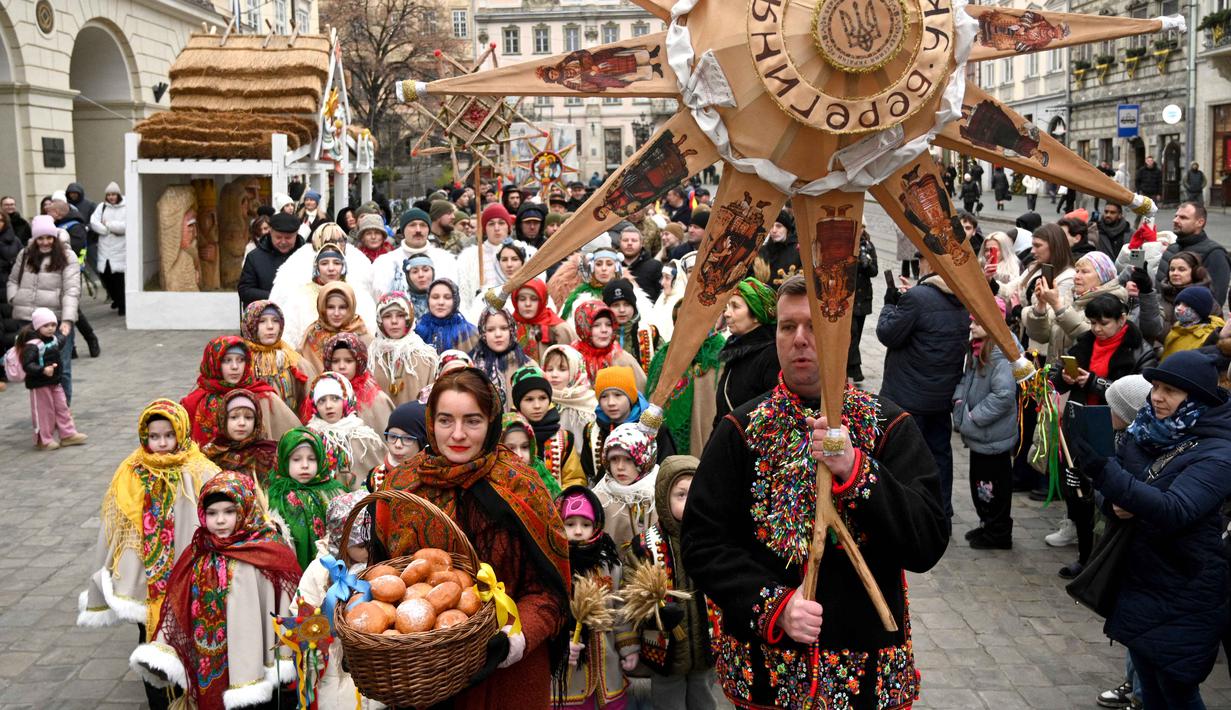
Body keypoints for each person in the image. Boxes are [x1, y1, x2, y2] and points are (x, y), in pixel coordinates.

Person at [681, 273, 948, 709]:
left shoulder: (890, 426)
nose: (800, 339)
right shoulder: (740, 430)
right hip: (768, 673)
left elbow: (927, 543)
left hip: (867, 675)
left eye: (815, 326)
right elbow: (702, 542)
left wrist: (857, 470)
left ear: (842, 334)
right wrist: (775, 605)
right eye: (788, 327)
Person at [373, 367, 571, 708]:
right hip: (425, 679)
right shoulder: (402, 485)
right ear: (431, 421)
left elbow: (550, 592)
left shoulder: (521, 487)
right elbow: (384, 578)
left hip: (507, 679)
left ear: (491, 421)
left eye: (473, 420)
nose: (458, 434)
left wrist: (515, 638)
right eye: (446, 420)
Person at [1073, 350, 1231, 709]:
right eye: (1155, 387)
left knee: (1176, 690)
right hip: (1143, 578)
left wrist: (1104, 471)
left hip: (1186, 585)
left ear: (1198, 399)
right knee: (1149, 683)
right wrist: (1109, 501)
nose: (1157, 397)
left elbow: (1177, 509)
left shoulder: (1219, 451)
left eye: (1170, 392)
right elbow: (1120, 488)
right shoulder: (1147, 428)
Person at [76, 400, 219, 710]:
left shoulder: (198, 467)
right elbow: (116, 521)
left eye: (169, 435)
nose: (163, 444)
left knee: (189, 632)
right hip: (144, 572)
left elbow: (220, 504)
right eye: (155, 437)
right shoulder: (131, 470)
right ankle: (158, 696)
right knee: (149, 632)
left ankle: (191, 693)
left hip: (188, 566)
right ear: (144, 436)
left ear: (181, 432)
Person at [128, 470, 299, 710]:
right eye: (212, 513)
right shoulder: (198, 550)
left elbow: (280, 598)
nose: (220, 520)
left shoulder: (266, 550)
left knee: (256, 704)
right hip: (208, 647)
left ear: (245, 509)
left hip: (251, 645)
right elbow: (178, 598)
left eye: (229, 512)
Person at [1047, 294, 1157, 571]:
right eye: (1093, 322)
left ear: (1122, 320)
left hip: (1117, 427)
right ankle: (1085, 557)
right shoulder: (1086, 342)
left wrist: (1094, 382)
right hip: (1081, 419)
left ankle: (1102, 561)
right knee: (1078, 488)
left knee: (1105, 494)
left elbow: (1139, 394)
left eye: (1103, 323)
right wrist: (1065, 377)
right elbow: (1057, 377)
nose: (1097, 329)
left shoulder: (1140, 350)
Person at [878, 252, 970, 517]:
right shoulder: (961, 296)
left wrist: (891, 304)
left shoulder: (917, 298)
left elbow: (887, 333)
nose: (919, 264)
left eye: (921, 260)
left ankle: (909, 512)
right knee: (940, 453)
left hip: (908, 396)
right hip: (940, 396)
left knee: (905, 455)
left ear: (929, 264)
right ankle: (942, 510)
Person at [628, 455, 717, 710]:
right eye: (681, 495)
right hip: (665, 651)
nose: (690, 502)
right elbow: (632, 592)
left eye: (696, 493)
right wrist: (653, 612)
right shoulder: (645, 546)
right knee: (668, 702)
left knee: (704, 699)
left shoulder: (711, 540)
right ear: (664, 498)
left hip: (704, 649)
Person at [554, 485, 634, 709]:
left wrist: (628, 647)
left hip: (607, 665)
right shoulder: (553, 567)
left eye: (586, 524)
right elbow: (547, 613)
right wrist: (560, 645)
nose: (578, 531)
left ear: (597, 524)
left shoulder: (609, 565)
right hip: (569, 669)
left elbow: (620, 611)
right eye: (570, 524)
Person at [952, 301, 1019, 549]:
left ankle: (999, 532)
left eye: (977, 322)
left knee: (994, 486)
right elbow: (966, 379)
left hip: (992, 435)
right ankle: (987, 524)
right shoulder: (978, 349)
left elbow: (1003, 395)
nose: (972, 325)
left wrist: (974, 417)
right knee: (981, 485)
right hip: (980, 436)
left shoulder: (999, 354)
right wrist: (959, 402)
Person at [8, 215, 82, 402]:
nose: (45, 242)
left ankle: (63, 412)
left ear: (55, 237)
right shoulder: (25, 254)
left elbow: (72, 290)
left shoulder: (67, 255)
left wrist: (67, 320)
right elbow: (12, 280)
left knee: (61, 368)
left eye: (49, 237)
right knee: (35, 369)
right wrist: (14, 298)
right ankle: (45, 411)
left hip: (54, 320)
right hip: (28, 320)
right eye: (40, 238)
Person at [181, 335, 300, 447]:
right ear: (214, 363)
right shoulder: (196, 400)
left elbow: (295, 438)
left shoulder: (262, 395)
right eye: (227, 360)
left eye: (240, 360)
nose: (235, 367)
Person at [266, 427, 350, 569]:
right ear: (284, 461)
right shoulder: (278, 495)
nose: (305, 465)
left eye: (312, 459)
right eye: (296, 459)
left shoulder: (334, 491)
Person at [1028, 251, 1128, 368]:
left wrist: (1056, 305)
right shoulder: (1071, 298)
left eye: (1084, 272)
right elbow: (1040, 336)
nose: (1077, 277)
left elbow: (1089, 334)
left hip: (1086, 376)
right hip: (1057, 375)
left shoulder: (1113, 302)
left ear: (1103, 276)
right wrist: (1041, 305)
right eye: (1077, 271)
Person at [580, 365, 675, 483]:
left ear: (631, 397)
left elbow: (667, 470)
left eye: (618, 395)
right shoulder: (592, 431)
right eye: (604, 396)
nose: (611, 403)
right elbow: (588, 473)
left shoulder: (653, 429)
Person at [713, 278, 780, 427]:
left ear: (756, 315)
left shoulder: (772, 356)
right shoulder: (735, 352)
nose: (726, 314)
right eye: (726, 307)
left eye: (735, 306)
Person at [17, 308, 86, 450]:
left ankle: (68, 435)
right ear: (37, 326)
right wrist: (42, 370)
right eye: (46, 325)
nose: (50, 329)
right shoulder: (32, 345)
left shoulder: (53, 339)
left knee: (62, 407)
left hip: (55, 381)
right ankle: (44, 439)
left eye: (53, 325)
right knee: (44, 411)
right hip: (39, 384)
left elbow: (59, 342)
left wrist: (64, 334)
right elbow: (27, 365)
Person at [303, 372, 386, 489]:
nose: (328, 406)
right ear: (315, 406)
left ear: (347, 401)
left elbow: (382, 476)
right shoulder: (309, 438)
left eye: (335, 399)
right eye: (321, 401)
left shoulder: (364, 438)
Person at [512, 365, 586, 491]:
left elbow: (574, 479)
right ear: (518, 402)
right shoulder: (507, 437)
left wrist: (560, 500)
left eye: (542, 398)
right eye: (529, 399)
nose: (537, 405)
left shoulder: (564, 439)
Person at [1012, 224, 1076, 364]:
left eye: (1038, 246)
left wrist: (1019, 310)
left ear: (1054, 246)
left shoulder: (1069, 277)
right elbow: (1012, 289)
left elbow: (1053, 316)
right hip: (1024, 338)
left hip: (1043, 350)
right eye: (1032, 245)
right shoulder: (1035, 267)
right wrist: (990, 280)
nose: (1033, 251)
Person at [592, 422, 660, 553]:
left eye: (629, 459)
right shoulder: (600, 498)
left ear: (645, 460)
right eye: (614, 459)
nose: (620, 467)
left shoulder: (658, 492)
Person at [457, 204, 536, 313]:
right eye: (491, 224)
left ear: (508, 227)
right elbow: (463, 296)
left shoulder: (527, 253)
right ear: (484, 229)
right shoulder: (469, 257)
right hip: (482, 313)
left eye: (501, 223)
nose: (497, 228)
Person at [370, 208, 458, 300]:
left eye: (423, 225)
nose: (418, 230)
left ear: (429, 230)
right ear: (403, 230)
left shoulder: (446, 260)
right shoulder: (385, 263)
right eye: (412, 225)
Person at [368, 292, 438, 405]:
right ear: (380, 321)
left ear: (409, 318)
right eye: (387, 316)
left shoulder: (426, 356)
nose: (394, 321)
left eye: (400, 315)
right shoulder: (372, 357)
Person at [1154, 202, 1229, 307]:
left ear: (1200, 222)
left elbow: (1215, 299)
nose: (1175, 220)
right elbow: (1159, 289)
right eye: (1176, 216)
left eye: (1183, 218)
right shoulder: (1171, 249)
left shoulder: (1214, 253)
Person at [240, 300, 307, 413]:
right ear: (250, 325)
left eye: (276, 321)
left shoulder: (291, 358)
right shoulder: (241, 360)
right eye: (262, 321)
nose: (270, 326)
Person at [323, 331, 396, 436]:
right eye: (335, 361)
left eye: (348, 361)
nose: (342, 366)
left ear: (359, 362)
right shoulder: (321, 393)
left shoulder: (375, 398)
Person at [570, 300, 647, 390]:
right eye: (596, 325)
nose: (604, 330)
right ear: (583, 327)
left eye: (608, 324)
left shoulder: (622, 359)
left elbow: (640, 394)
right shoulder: (572, 357)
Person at [470, 307, 532, 409]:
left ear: (511, 330)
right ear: (483, 332)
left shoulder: (527, 365)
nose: (498, 334)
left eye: (504, 328)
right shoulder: (474, 368)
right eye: (490, 330)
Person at [239, 212, 304, 308]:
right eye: (278, 237)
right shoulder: (254, 257)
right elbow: (245, 291)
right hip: (265, 316)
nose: (283, 242)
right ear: (270, 233)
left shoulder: (306, 256)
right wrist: (275, 297)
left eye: (288, 238)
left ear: (296, 235)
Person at [541, 343, 599, 443]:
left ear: (575, 371)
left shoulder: (590, 402)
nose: (554, 375)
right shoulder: (540, 399)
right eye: (549, 370)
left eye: (562, 369)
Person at [604, 277, 662, 373]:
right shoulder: (600, 335)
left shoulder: (649, 333)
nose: (622, 310)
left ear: (634, 306)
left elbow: (662, 366)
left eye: (626, 304)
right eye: (615, 305)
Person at [369, 401, 427, 491]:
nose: (398, 445)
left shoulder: (430, 480)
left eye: (407, 438)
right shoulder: (375, 476)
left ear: (422, 442)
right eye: (392, 436)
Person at [511, 278, 571, 362]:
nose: (528, 304)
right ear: (515, 301)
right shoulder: (509, 327)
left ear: (543, 300)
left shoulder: (559, 329)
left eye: (534, 299)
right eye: (522, 299)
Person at [1158, 250, 1219, 333]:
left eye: (1181, 269)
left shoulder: (1209, 302)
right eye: (1172, 269)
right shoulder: (1157, 298)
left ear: (1196, 272)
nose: (1175, 273)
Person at [89, 181, 127, 315]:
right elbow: (94, 222)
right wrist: (107, 230)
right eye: (109, 195)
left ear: (118, 195)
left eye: (113, 194)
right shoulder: (102, 207)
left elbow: (125, 226)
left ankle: (123, 305)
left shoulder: (126, 207)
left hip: (120, 249)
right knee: (106, 277)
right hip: (104, 249)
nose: (111, 197)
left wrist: (109, 224)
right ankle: (116, 299)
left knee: (119, 280)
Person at [415, 278, 480, 354]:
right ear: (428, 300)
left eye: (447, 297)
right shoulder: (418, 330)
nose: (441, 302)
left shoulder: (469, 333)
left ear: (455, 300)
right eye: (435, 297)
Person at [1161, 285, 1224, 361]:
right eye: (1178, 304)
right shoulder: (1177, 328)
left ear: (1200, 310)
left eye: (1186, 305)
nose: (1179, 308)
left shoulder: (1207, 336)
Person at [848, 230, 878, 383]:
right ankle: (855, 369)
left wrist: (867, 264)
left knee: (857, 336)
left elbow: (874, 272)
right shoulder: (844, 244)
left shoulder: (868, 245)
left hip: (864, 298)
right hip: (848, 298)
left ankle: (847, 364)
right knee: (851, 334)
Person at [752, 209, 802, 289]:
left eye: (779, 226)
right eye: (771, 226)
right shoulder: (761, 251)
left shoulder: (798, 251)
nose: (774, 230)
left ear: (787, 229)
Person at [618, 224, 663, 301]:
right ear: (619, 242)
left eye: (634, 240)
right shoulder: (613, 266)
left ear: (641, 243)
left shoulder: (655, 266)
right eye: (625, 240)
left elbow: (662, 295)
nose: (629, 243)